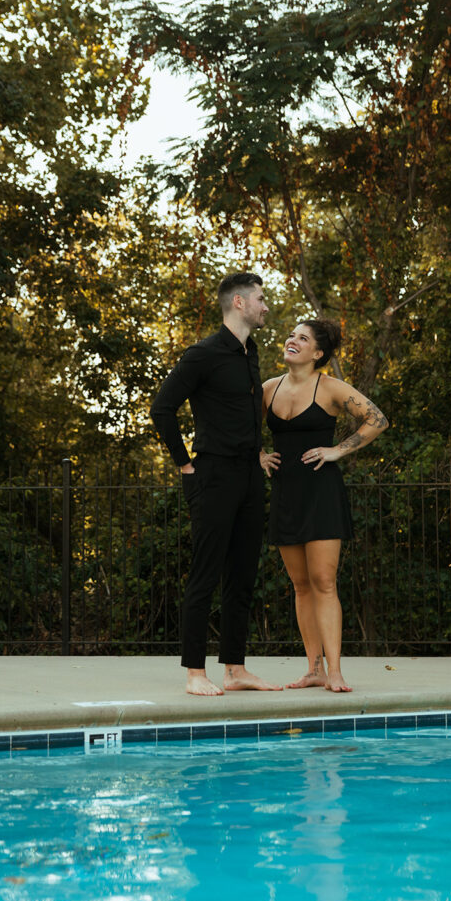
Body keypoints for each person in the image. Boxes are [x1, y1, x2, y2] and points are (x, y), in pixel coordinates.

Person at [151, 272, 282, 697]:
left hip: (248, 475)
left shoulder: (250, 352)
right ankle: (194, 672)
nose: (265, 305)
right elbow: (162, 408)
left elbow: (243, 415)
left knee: (242, 576)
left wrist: (257, 453)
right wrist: (184, 465)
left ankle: (235, 669)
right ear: (239, 303)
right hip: (212, 475)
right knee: (205, 576)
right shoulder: (203, 354)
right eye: (260, 299)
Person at [260, 319, 388, 692]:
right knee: (300, 586)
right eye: (291, 335)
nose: (292, 340)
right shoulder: (268, 389)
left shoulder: (330, 387)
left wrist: (337, 450)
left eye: (302, 338)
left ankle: (334, 671)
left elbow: (376, 419)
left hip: (322, 494)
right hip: (286, 495)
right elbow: (239, 426)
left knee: (323, 583)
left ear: (318, 353)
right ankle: (313, 668)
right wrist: (259, 455)